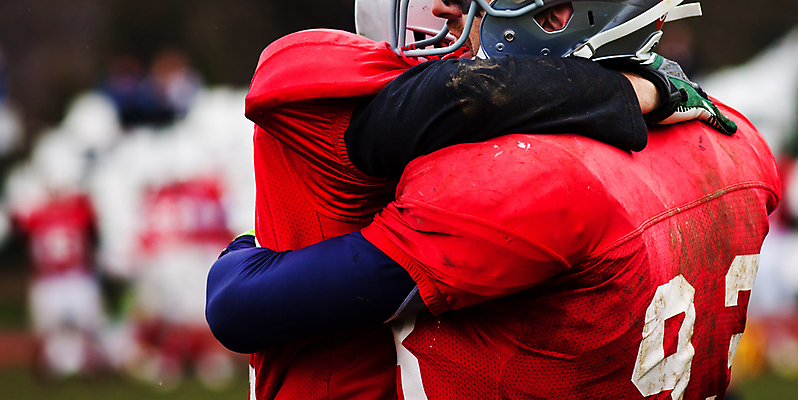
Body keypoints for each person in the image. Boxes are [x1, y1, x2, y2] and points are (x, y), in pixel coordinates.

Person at [207, 0, 779, 399]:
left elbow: (239, 305)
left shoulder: (523, 178)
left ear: (561, 13)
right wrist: (636, 87)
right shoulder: (738, 140)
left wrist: (247, 246)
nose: (449, 10)